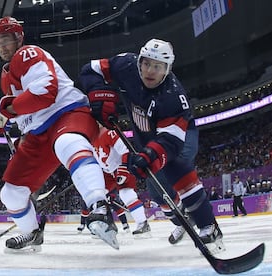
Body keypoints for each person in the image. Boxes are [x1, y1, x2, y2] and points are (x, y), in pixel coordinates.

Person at [0, 16, 118, 251]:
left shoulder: (28, 53)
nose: (1, 46)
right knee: (11, 194)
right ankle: (32, 235)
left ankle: (99, 208)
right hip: (38, 133)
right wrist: (6, 121)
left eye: (5, 39)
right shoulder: (5, 75)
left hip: (67, 113)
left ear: (18, 37)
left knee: (68, 142)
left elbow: (45, 92)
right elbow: (21, 111)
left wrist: (7, 109)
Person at [79, 38, 224, 251]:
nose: (150, 71)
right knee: (157, 192)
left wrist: (150, 154)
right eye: (146, 63)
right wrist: (101, 96)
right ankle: (182, 221)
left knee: (177, 165)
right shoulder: (126, 65)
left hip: (179, 134)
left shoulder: (173, 96)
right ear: (139, 61)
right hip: (146, 138)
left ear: (167, 69)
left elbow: (171, 142)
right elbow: (89, 70)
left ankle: (208, 226)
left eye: (157, 67)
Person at [78, 126, 151, 238]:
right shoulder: (90, 139)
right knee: (97, 195)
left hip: (120, 166)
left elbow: (125, 149)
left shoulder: (108, 132)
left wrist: (124, 166)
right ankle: (104, 226)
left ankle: (143, 224)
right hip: (106, 172)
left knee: (126, 194)